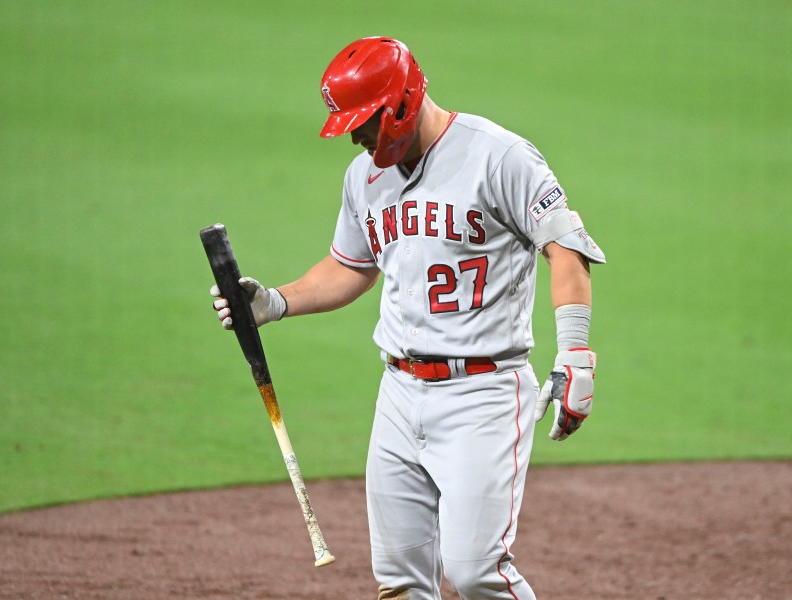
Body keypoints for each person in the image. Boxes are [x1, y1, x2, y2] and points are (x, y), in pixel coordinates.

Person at [211, 36, 605, 600]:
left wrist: (575, 355)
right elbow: (352, 267)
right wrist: (276, 301)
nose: (356, 136)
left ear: (399, 103)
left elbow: (565, 248)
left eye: (364, 121)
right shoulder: (363, 177)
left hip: (483, 394)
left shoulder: (499, 156)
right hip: (398, 394)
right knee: (398, 581)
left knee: (476, 573)